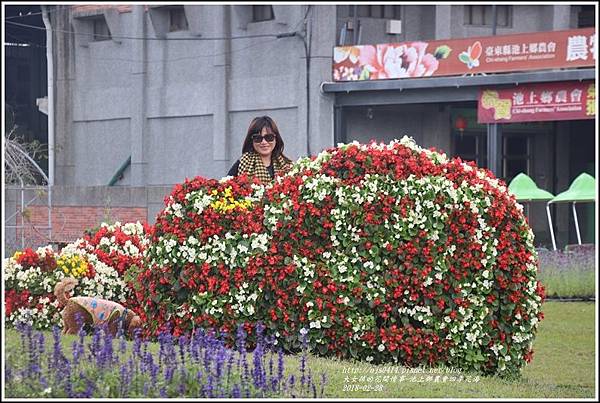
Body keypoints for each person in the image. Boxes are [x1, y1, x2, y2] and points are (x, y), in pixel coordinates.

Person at [227, 116, 293, 183]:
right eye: (258, 138)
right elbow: (225, 186)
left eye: (269, 137)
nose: (264, 142)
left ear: (276, 139)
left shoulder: (286, 165)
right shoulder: (242, 163)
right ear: (251, 140)